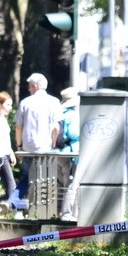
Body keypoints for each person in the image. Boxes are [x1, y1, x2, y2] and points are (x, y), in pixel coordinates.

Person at [12, 72, 62, 210]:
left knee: (28, 178)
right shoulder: (54, 102)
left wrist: (19, 146)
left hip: (28, 148)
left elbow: (18, 127)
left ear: (35, 86)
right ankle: (42, 209)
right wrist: (53, 143)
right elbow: (56, 128)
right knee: (45, 178)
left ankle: (18, 202)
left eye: (29, 86)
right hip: (46, 148)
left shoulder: (25, 102)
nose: (28, 89)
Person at [56, 87, 82, 220]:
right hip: (71, 153)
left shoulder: (58, 112)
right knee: (71, 184)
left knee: (62, 183)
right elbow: (73, 133)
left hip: (59, 152)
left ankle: (62, 212)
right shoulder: (71, 115)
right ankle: (67, 214)